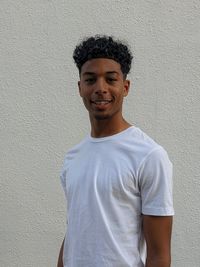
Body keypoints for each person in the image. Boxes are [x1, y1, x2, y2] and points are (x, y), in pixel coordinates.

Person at [57, 35, 174, 267]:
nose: (101, 88)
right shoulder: (73, 158)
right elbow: (74, 232)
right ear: (80, 88)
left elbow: (159, 254)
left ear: (125, 86)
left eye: (111, 79)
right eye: (90, 80)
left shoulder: (148, 156)